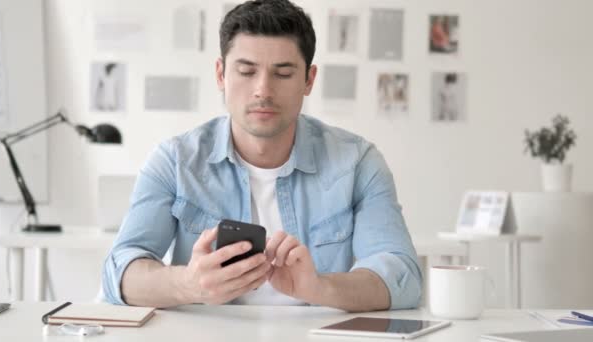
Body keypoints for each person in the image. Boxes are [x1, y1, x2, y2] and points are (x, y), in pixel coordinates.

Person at [102, 0, 421, 312]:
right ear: (221, 75)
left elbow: (402, 275)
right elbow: (119, 272)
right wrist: (189, 283)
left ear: (308, 80)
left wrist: (320, 287)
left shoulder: (358, 162)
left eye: (282, 74)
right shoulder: (174, 160)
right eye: (246, 71)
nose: (263, 90)